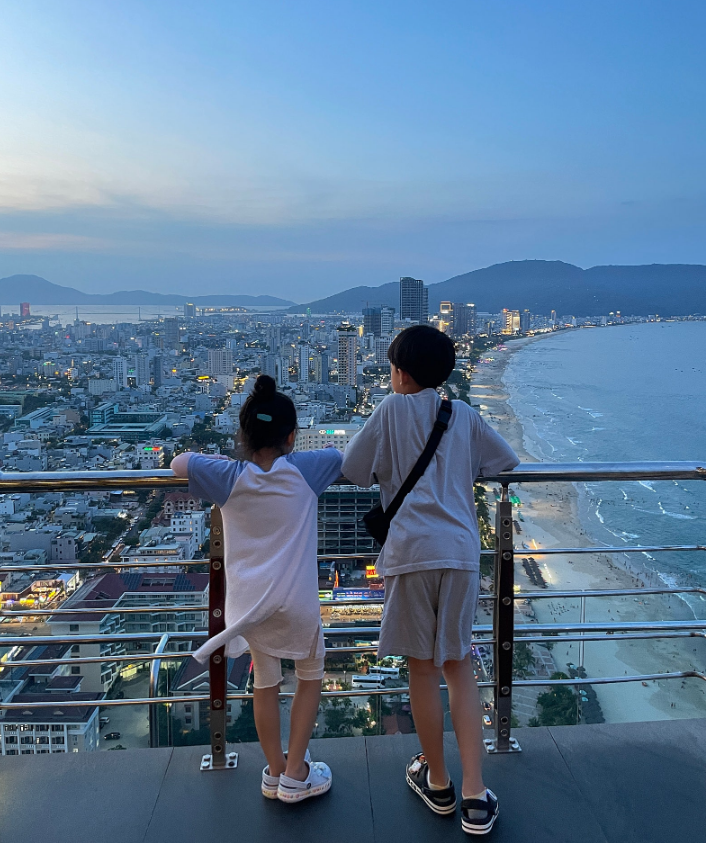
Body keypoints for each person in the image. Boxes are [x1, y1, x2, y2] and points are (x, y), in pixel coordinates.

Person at [342, 326, 518, 835]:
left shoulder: (390, 411)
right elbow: (505, 460)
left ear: (398, 372)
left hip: (411, 552)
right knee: (459, 665)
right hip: (460, 552)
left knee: (423, 669)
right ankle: (475, 795)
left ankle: (437, 780)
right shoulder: (462, 415)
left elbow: (354, 470)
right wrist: (458, 472)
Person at [171, 375, 342, 804]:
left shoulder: (228, 477)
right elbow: (343, 457)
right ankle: (298, 772)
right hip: (297, 602)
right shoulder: (306, 470)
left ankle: (274, 771)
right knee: (310, 676)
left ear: (243, 437)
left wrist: (221, 459)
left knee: (264, 681)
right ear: (291, 436)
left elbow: (178, 463)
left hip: (250, 607)